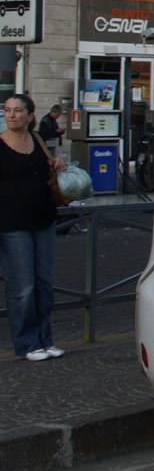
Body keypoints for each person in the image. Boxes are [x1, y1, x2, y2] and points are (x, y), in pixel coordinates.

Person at [0, 94, 63, 361]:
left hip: (43, 219)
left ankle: (45, 340)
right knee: (22, 286)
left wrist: (58, 165)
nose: (12, 115)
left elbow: (45, 170)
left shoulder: (37, 139)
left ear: (30, 115)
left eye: (17, 110)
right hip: (12, 223)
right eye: (7, 110)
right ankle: (27, 344)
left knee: (44, 283)